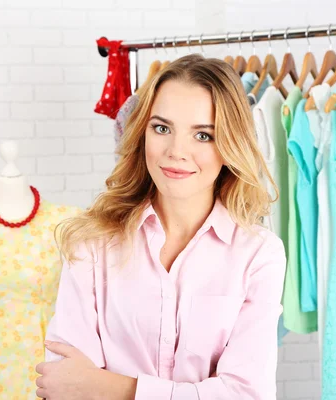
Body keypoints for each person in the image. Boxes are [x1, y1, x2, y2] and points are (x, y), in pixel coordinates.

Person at [35, 54, 286, 400]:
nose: (175, 151)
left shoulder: (259, 255)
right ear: (142, 133)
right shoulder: (91, 243)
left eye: (203, 135)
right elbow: (66, 386)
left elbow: (246, 394)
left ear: (230, 145)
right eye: (162, 128)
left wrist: (113, 388)